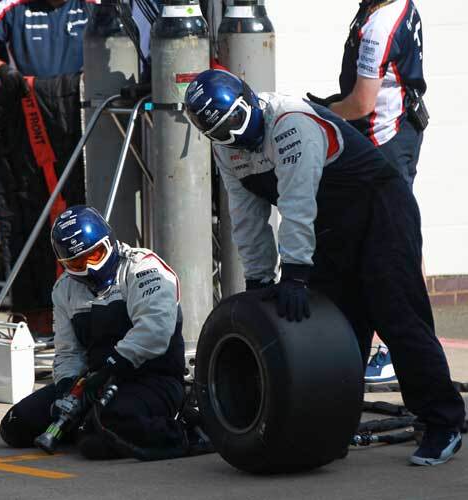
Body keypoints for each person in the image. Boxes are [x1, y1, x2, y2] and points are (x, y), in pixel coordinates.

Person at [184, 69, 465, 466]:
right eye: (220, 131)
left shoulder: (290, 122)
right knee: (337, 329)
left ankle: (443, 421)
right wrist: (259, 281)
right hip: (330, 223)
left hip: (379, 207)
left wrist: (296, 273)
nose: (233, 136)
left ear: (249, 100)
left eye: (235, 121)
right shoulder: (225, 149)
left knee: (397, 315)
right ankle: (336, 423)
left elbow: (297, 203)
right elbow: (246, 218)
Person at [0, 205, 196, 459]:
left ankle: (191, 431)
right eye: (77, 263)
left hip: (152, 378)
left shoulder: (144, 268)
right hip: (93, 383)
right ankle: (88, 425)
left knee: (98, 439)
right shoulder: (64, 289)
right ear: (64, 264)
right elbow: (68, 351)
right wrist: (67, 388)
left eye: (95, 255)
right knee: (15, 425)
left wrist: (111, 367)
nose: (89, 269)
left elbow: (155, 331)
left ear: (110, 241)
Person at [307, 0, 427, 384]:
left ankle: (400, 349)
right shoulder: (387, 7)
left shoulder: (380, 24)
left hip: (384, 142)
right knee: (400, 237)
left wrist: (320, 112)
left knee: (393, 249)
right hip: (394, 134)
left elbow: (361, 104)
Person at [0, 0, 90, 85]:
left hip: (81, 102)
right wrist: (2, 71)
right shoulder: (13, 6)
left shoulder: (95, 5)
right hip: (29, 103)